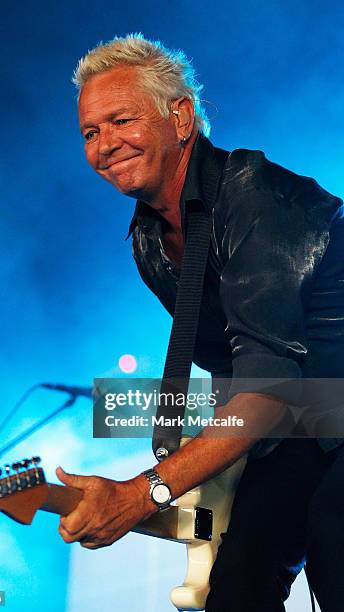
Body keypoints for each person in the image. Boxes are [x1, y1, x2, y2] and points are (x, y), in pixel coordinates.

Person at [56, 34, 344, 611]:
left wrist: (145, 492)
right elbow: (236, 372)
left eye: (122, 121)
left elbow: (266, 387)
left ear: (180, 117)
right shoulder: (148, 241)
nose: (106, 144)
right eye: (91, 132)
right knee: (235, 592)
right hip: (299, 429)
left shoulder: (255, 196)